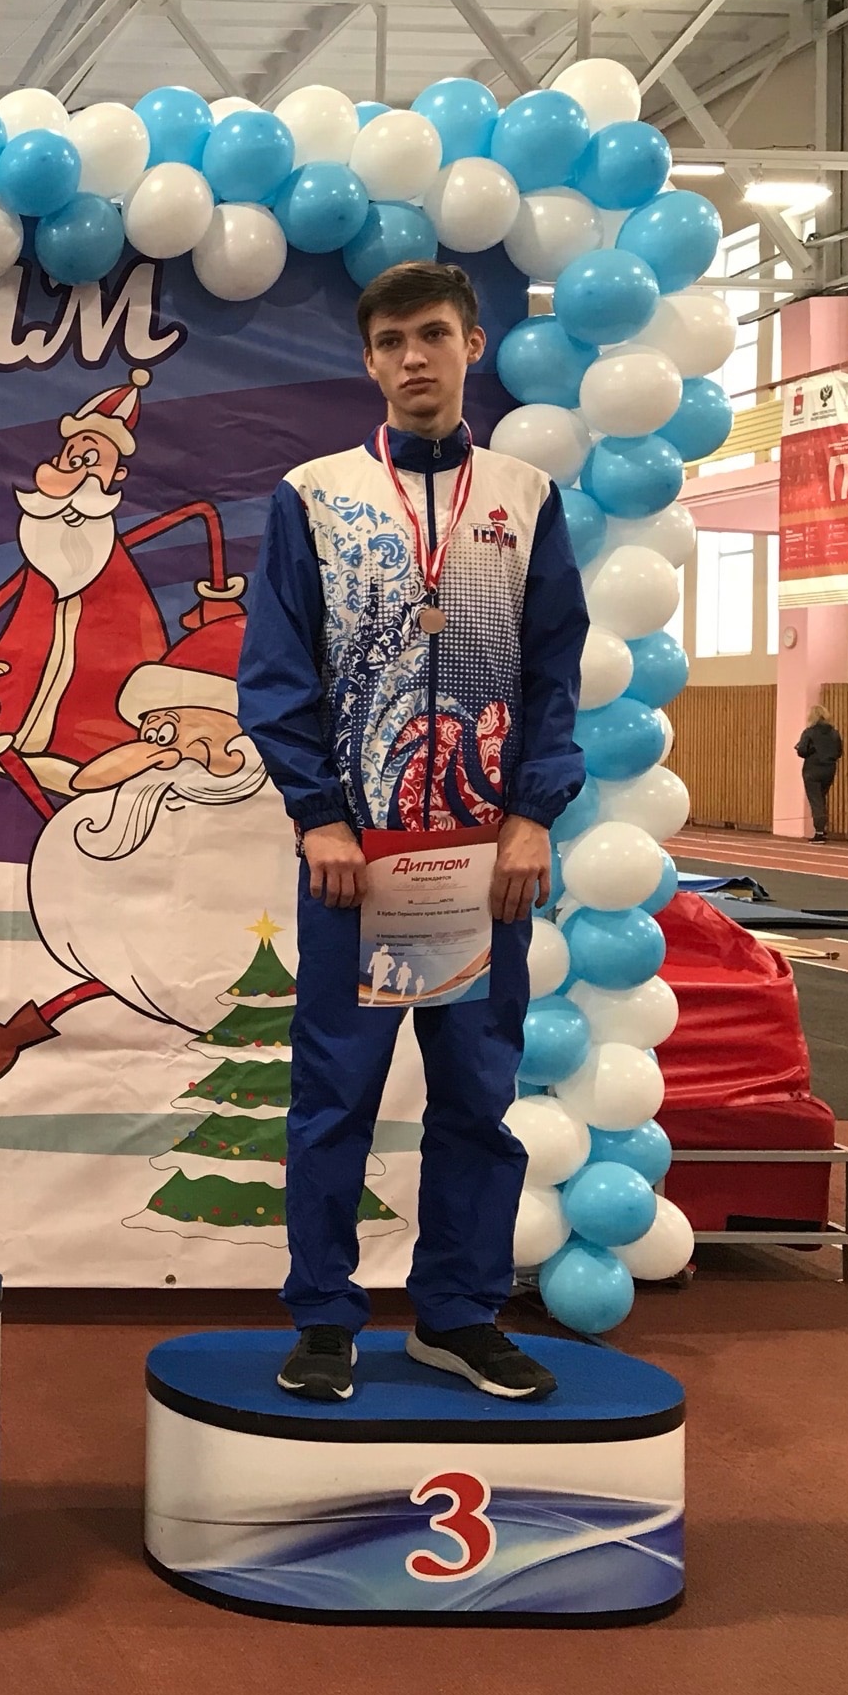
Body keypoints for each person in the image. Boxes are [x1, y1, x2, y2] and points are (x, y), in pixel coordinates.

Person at [237, 261, 588, 1403]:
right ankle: (323, 1316)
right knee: (334, 1096)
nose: (412, 358)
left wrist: (531, 815)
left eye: (432, 334)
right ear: (369, 361)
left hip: (485, 862)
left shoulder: (525, 497)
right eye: (390, 342)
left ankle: (456, 1314)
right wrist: (317, 818)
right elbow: (275, 673)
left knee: (476, 1100)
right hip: (359, 861)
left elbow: (554, 673)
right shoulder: (314, 496)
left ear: (472, 345)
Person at [797, 704, 842, 842]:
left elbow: (802, 751)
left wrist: (810, 750)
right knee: (821, 799)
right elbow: (839, 752)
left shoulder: (809, 732)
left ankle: (819, 831)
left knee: (816, 801)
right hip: (829, 769)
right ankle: (823, 828)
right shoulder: (834, 733)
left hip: (812, 769)